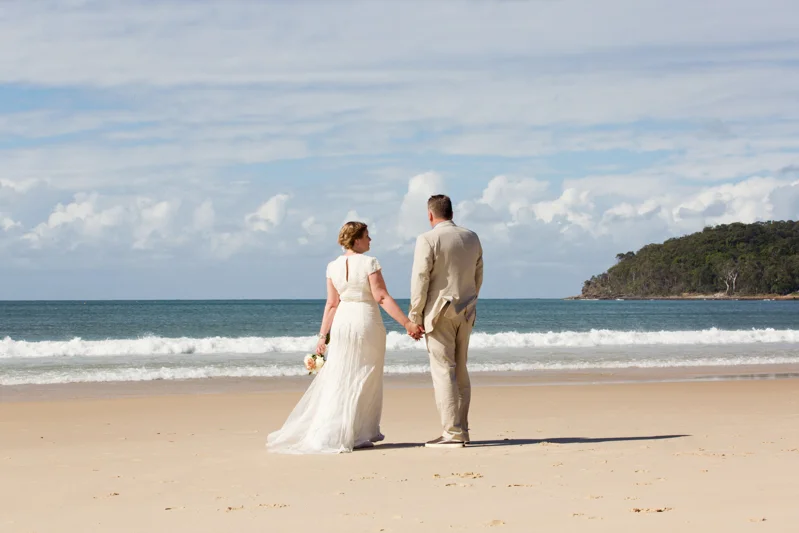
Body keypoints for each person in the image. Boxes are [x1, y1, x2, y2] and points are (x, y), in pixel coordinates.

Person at [266, 221, 424, 454]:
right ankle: (358, 433)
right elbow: (381, 297)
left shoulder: (332, 266)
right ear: (357, 240)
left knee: (341, 375)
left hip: (342, 322)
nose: (370, 240)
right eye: (367, 236)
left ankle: (336, 432)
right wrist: (407, 323)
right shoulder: (370, 262)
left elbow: (332, 304)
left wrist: (322, 336)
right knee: (365, 375)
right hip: (365, 320)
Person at [409, 195, 483, 448]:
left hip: (439, 311)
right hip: (466, 308)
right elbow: (478, 274)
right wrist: (471, 300)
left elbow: (421, 278)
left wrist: (415, 315)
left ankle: (451, 432)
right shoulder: (472, 237)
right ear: (451, 212)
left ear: (430, 214)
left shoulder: (428, 239)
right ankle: (463, 429)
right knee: (461, 369)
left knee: (443, 371)